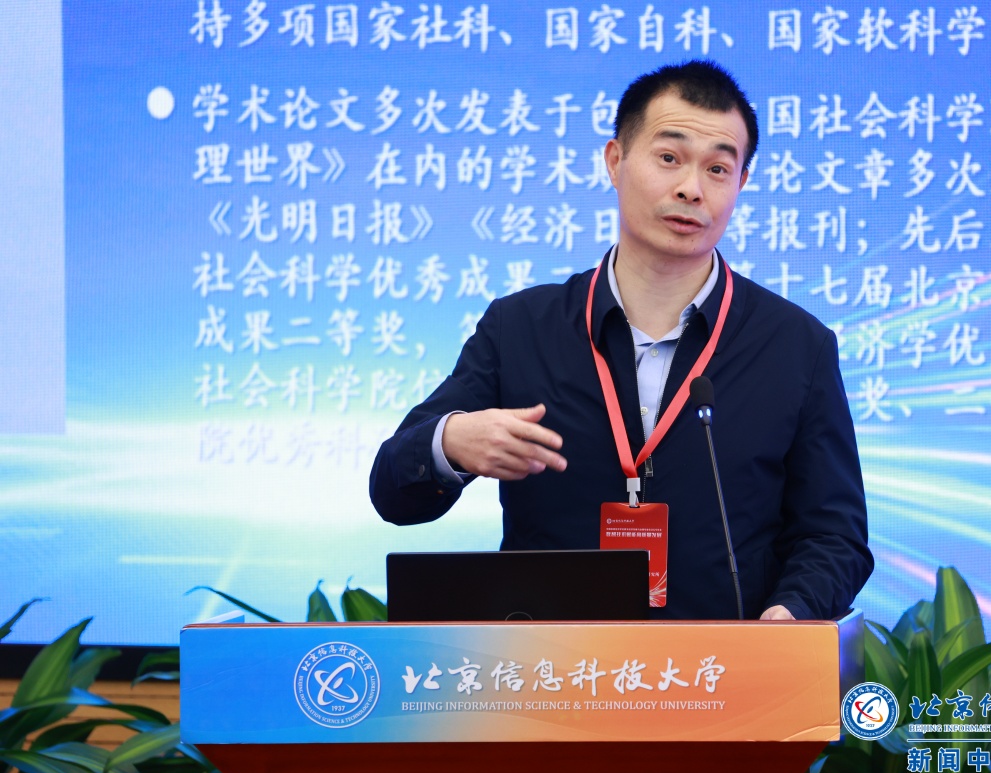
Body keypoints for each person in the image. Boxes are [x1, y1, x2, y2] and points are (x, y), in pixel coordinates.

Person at [370, 60, 871, 621]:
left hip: (719, 666)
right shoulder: (521, 328)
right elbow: (393, 492)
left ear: (741, 185)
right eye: (669, 158)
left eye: (717, 169)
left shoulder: (796, 346)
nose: (691, 188)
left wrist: (792, 611)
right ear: (615, 161)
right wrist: (450, 443)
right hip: (554, 665)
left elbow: (835, 535)